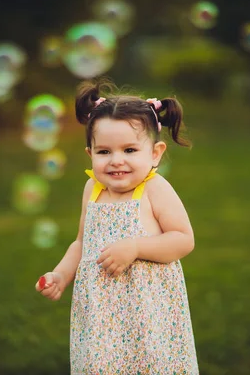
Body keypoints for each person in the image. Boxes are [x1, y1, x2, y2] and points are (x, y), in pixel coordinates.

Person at [35, 78, 199, 374]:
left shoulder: (154, 189)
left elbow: (183, 239)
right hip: (101, 319)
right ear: (90, 154)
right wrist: (61, 274)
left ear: (155, 153)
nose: (116, 161)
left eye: (130, 150)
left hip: (148, 314)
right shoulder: (93, 189)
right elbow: (82, 242)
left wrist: (136, 247)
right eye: (104, 152)